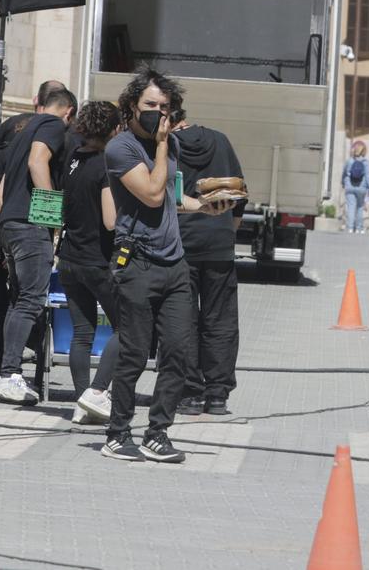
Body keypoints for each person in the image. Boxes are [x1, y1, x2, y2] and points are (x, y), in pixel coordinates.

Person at [104, 68, 222, 462]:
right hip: (136, 262)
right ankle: (117, 433)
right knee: (135, 354)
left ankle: (158, 432)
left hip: (174, 265)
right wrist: (159, 144)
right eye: (150, 106)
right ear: (132, 108)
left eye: (165, 107)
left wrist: (203, 206)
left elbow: (170, 193)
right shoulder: (121, 148)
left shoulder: (166, 148)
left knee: (178, 352)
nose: (159, 113)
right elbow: (151, 195)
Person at [0, 83, 75, 404]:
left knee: (19, 300)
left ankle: (5, 373)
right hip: (30, 224)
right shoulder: (52, 125)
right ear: (68, 111)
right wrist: (52, 218)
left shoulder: (23, 130)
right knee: (31, 300)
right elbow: (38, 163)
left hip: (10, 222)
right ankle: (10, 375)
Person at [173, 106, 247, 418]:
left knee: (184, 319)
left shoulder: (167, 147)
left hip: (180, 244)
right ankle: (217, 395)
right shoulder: (220, 140)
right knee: (221, 320)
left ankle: (190, 393)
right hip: (219, 243)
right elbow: (240, 191)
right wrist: (228, 230)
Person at [60, 100, 125, 426]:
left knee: (81, 333)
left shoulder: (73, 158)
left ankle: (81, 402)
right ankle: (97, 393)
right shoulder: (106, 164)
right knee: (126, 328)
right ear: (115, 129)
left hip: (69, 259)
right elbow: (111, 221)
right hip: (97, 262)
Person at [341, 139, 369, 233]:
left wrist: (343, 183)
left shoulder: (349, 161)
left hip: (350, 187)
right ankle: (359, 228)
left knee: (351, 207)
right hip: (361, 188)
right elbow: (367, 175)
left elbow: (344, 173)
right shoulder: (365, 162)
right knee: (360, 207)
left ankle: (350, 228)